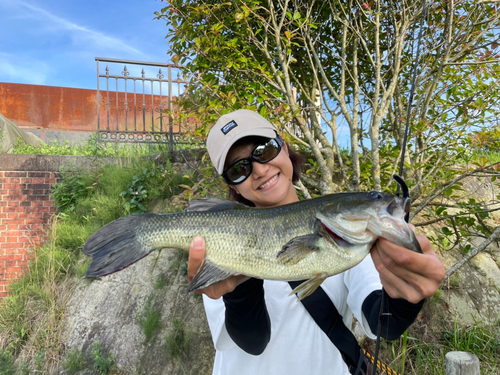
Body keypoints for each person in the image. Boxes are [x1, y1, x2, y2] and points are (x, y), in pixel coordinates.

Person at [187, 109, 445, 375]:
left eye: (264, 150)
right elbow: (252, 342)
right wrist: (239, 290)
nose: (260, 170)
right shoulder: (220, 241)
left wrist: (405, 297)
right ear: (233, 186)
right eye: (239, 169)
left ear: (284, 147)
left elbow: (383, 325)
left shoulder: (351, 239)